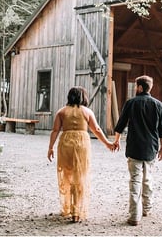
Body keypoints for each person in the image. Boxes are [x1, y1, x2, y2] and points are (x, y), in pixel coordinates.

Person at [47, 86, 115, 222]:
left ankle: (68, 208)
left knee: (67, 176)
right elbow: (96, 129)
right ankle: (76, 212)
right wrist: (107, 143)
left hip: (65, 144)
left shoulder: (61, 112)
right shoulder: (86, 111)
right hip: (81, 145)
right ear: (83, 97)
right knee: (80, 176)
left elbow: (55, 131)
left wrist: (50, 148)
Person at [113, 75, 162, 226]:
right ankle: (147, 208)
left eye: (136, 86)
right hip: (151, 148)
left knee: (135, 181)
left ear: (140, 87)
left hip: (134, 148)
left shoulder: (131, 103)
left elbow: (121, 124)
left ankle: (134, 216)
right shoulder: (158, 105)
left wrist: (116, 140)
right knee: (148, 179)